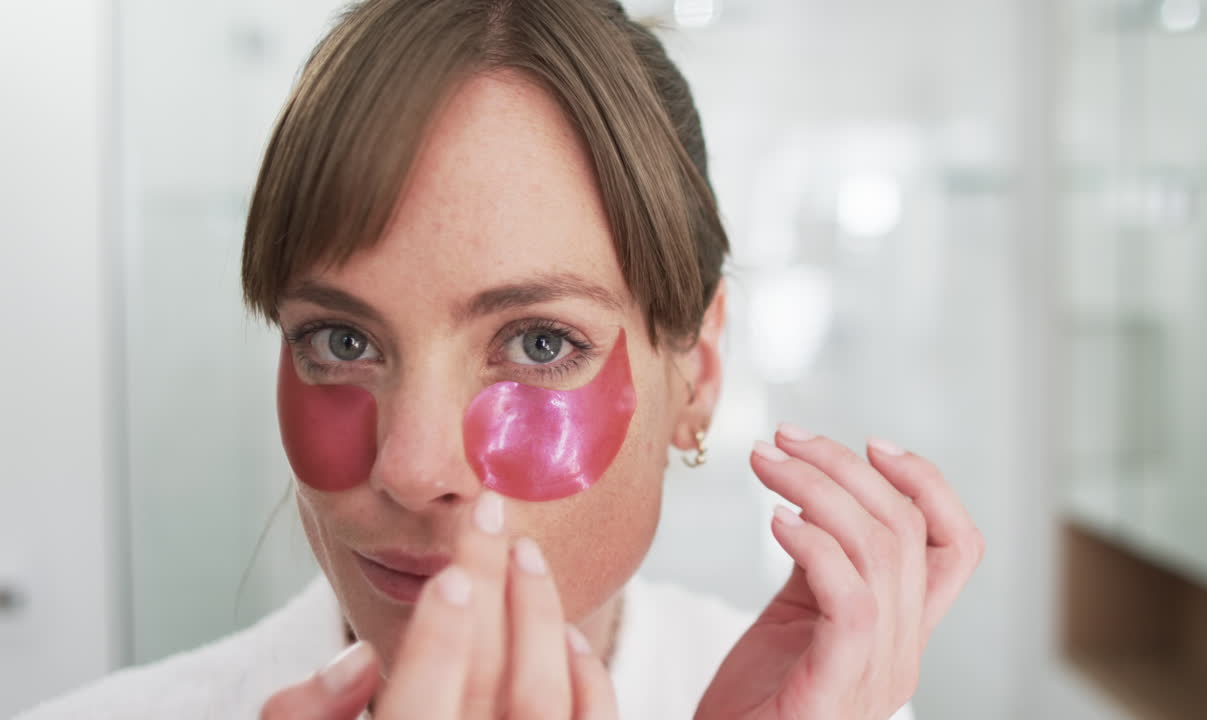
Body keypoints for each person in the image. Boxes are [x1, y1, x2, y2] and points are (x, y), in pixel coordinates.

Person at [18, 0, 983, 718]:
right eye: (340, 340)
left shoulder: (829, 701)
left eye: (538, 343)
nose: (411, 466)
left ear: (698, 373)